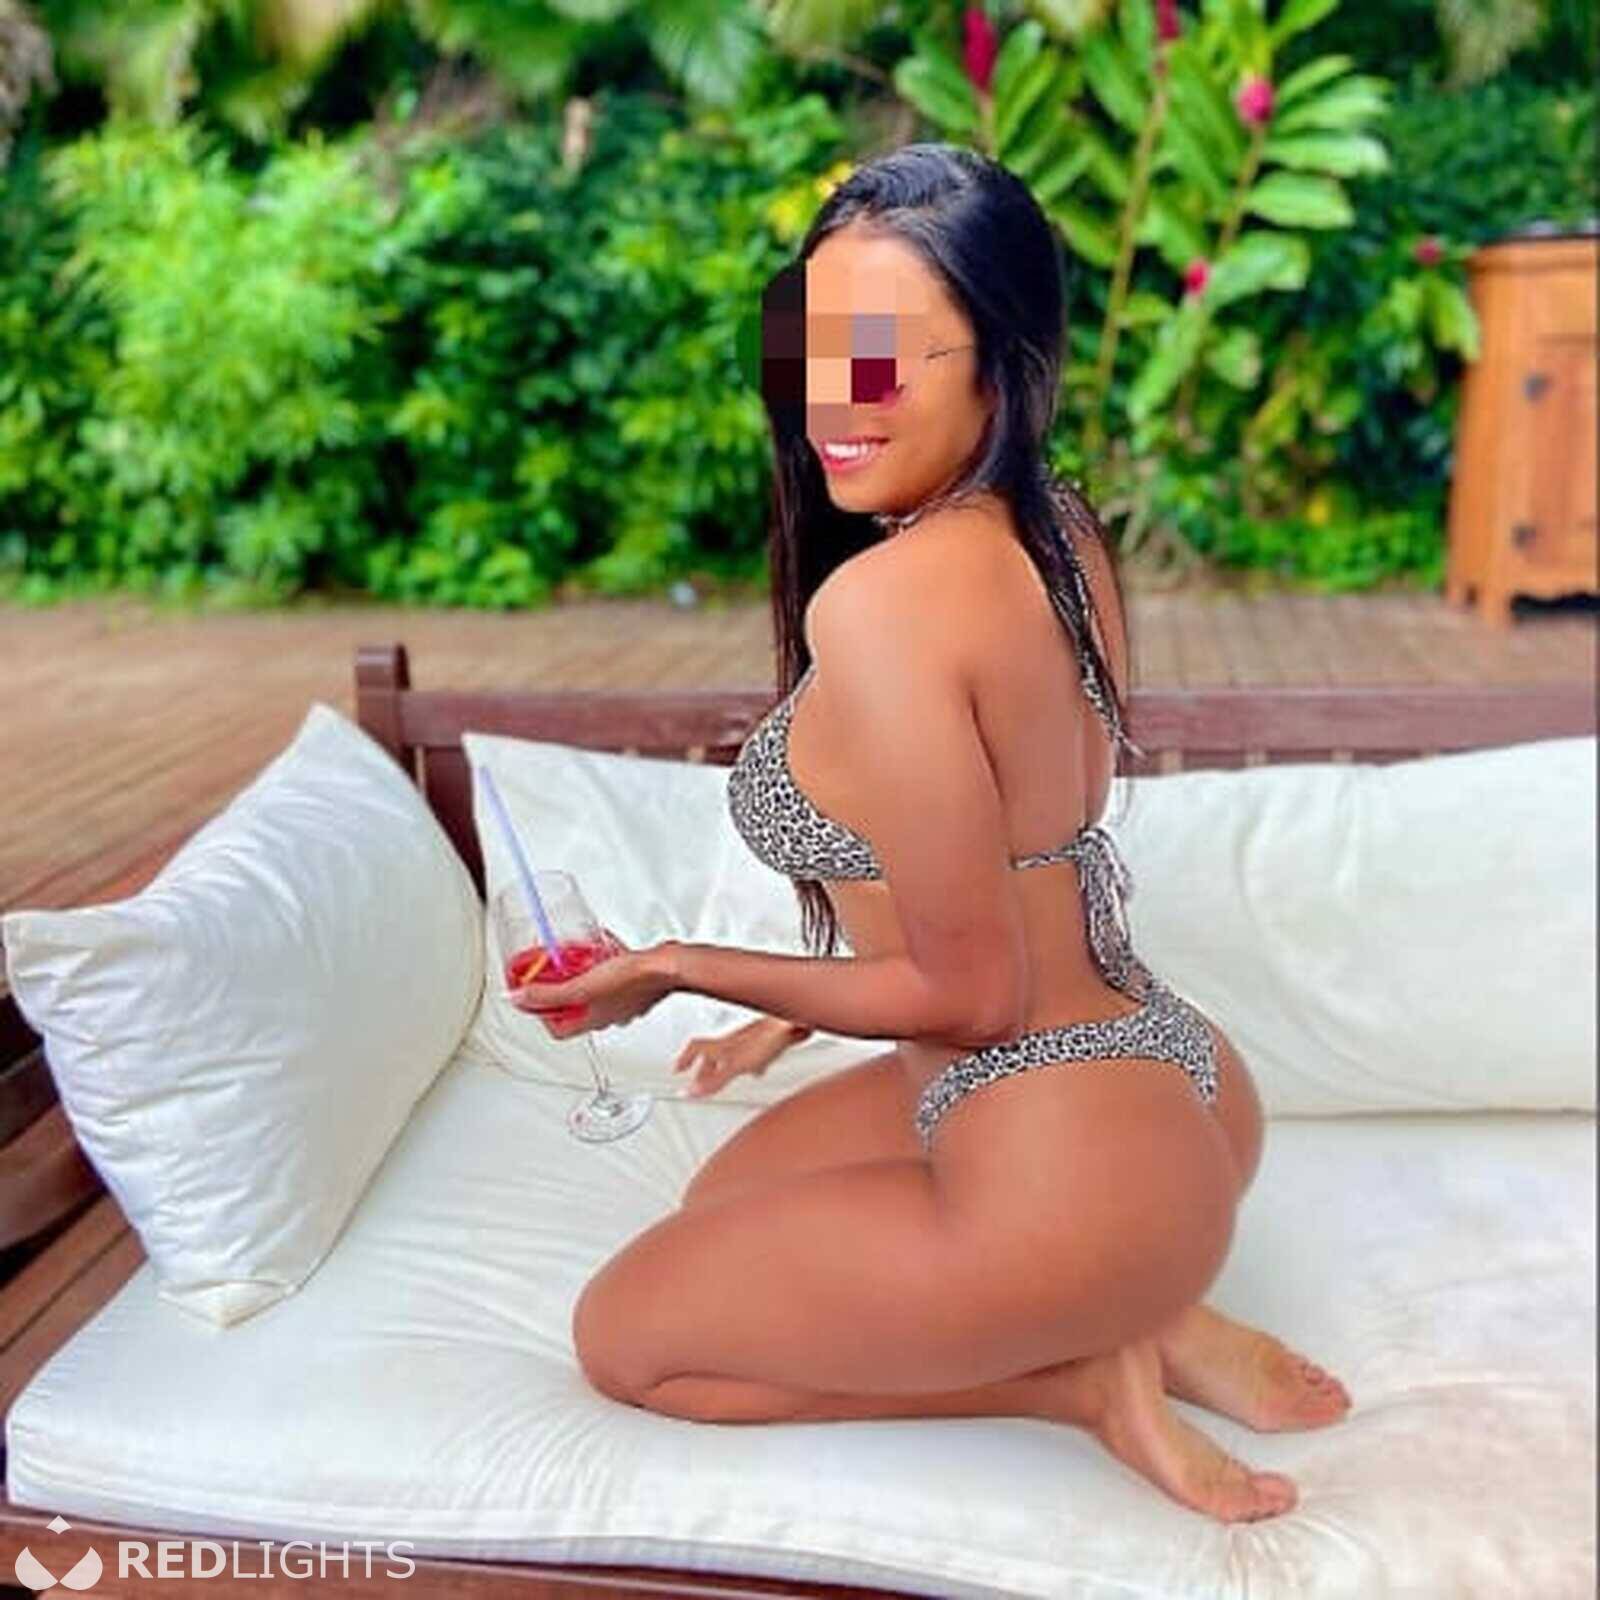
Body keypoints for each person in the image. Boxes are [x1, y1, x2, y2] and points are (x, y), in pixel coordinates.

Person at [517, 142, 1350, 1525]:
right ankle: (1151, 1313)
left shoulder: (886, 604)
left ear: (1001, 364)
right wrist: (775, 1029)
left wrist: (672, 967)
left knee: (629, 1343)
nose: (833, 401)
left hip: (1067, 1163)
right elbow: (1001, 855)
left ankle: (1085, 1372)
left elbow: (967, 993)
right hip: (1178, 1084)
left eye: (889, 356)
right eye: (816, 349)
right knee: (720, 1202)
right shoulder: (1057, 523)